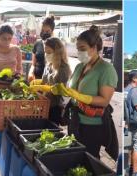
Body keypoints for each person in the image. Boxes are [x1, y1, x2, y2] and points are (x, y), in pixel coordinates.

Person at [51, 25, 118, 160]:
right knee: (75, 155)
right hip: (75, 120)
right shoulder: (80, 66)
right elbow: (71, 88)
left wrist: (80, 96)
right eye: (78, 49)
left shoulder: (106, 69)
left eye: (83, 49)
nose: (79, 52)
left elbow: (104, 100)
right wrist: (61, 90)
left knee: (89, 158)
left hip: (92, 125)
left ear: (94, 48)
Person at [30, 37, 71, 125]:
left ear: (57, 52)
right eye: (45, 52)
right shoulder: (49, 65)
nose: (46, 54)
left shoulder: (63, 68)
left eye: (49, 52)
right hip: (44, 104)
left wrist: (41, 87)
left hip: (55, 107)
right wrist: (36, 83)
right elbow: (45, 82)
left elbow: (59, 90)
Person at [28, 16, 55, 82]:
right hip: (36, 79)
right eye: (42, 30)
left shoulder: (57, 44)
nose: (44, 33)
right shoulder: (37, 44)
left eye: (47, 31)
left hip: (51, 80)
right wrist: (31, 72)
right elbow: (33, 64)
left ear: (52, 31)